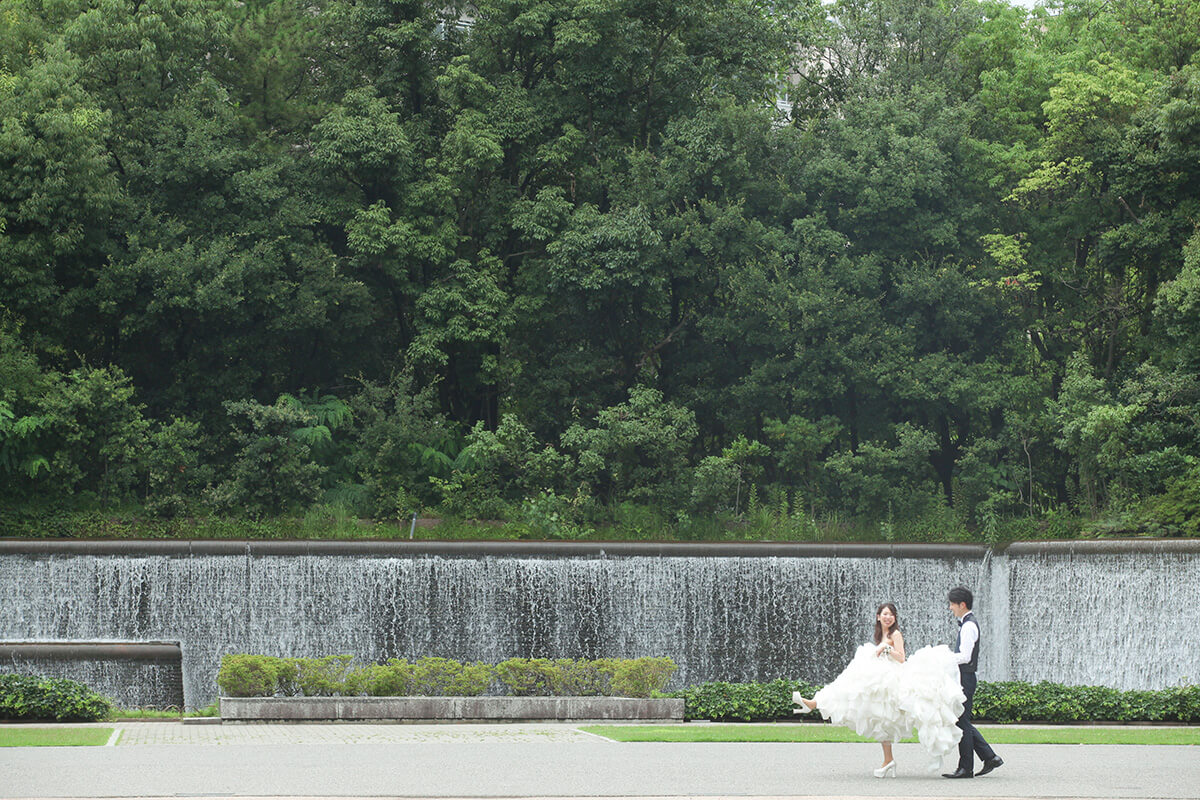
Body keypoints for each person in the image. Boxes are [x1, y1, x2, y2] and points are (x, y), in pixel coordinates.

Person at [794, 602, 965, 778]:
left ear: (895, 618)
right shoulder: (880, 634)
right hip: (881, 679)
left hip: (892, 679)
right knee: (881, 720)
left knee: (853, 688)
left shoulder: (895, 634)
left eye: (891, 614)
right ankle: (888, 760)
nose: (888, 617)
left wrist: (887, 648)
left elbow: (902, 658)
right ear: (878, 617)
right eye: (884, 614)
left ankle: (815, 703)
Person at [943, 586, 1004, 779]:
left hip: (965, 678)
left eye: (952, 604)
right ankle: (989, 757)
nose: (950, 608)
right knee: (962, 720)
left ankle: (966, 768)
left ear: (962, 604)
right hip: (964, 677)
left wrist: (944, 658)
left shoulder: (969, 626)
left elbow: (966, 656)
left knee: (961, 721)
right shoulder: (966, 623)